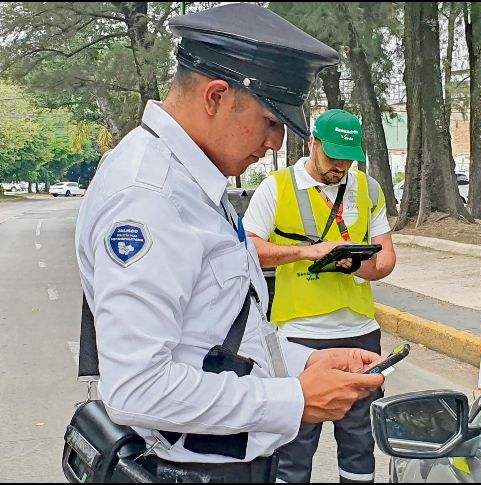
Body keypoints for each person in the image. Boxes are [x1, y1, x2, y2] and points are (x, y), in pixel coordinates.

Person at [74, 4, 384, 483]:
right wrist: (295, 398)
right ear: (216, 96)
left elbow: (212, 335)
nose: (276, 142)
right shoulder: (150, 197)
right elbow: (138, 389)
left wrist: (306, 363)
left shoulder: (191, 180)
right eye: (270, 121)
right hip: (188, 469)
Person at [243, 109, 397, 483]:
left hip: (360, 334)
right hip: (300, 337)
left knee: (359, 442)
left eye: (348, 158)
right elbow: (246, 249)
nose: (340, 166)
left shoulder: (368, 189)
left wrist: (354, 264)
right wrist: (305, 252)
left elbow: (386, 260)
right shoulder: (277, 187)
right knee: (294, 443)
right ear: (313, 143)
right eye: (332, 156)